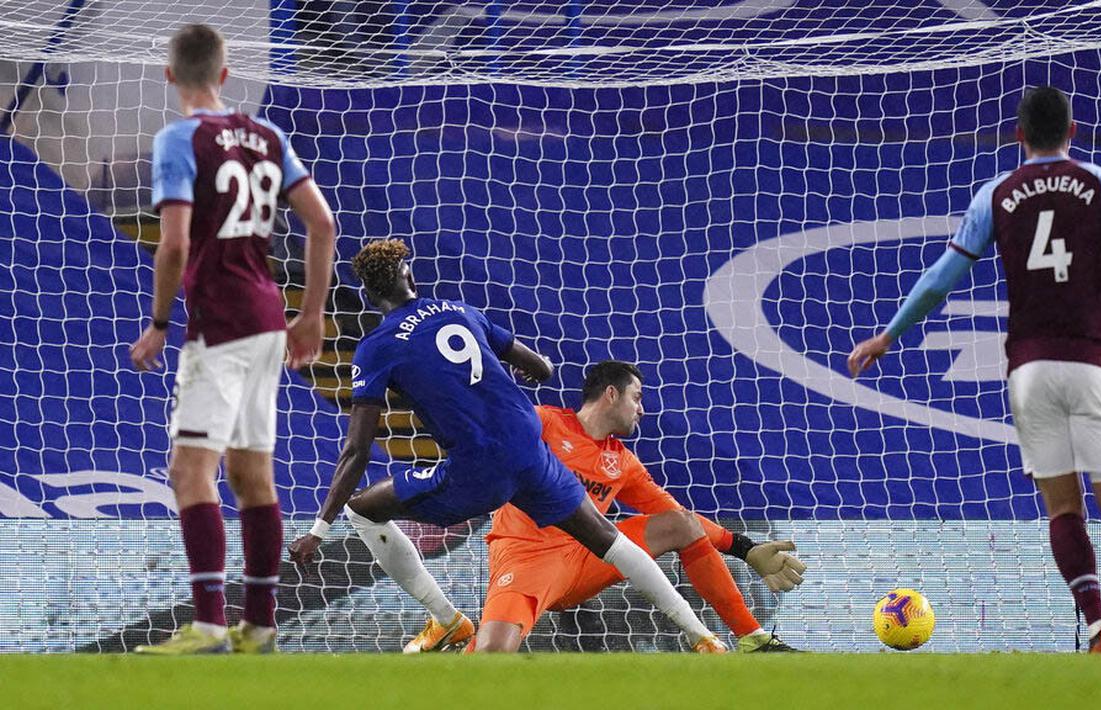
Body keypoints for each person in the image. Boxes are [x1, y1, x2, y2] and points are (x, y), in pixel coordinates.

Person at [847, 86, 1101, 654]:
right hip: (1096, 359)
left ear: (1017, 136)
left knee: (1062, 506)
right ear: (1073, 131)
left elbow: (940, 280)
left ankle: (1097, 627)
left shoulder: (996, 194)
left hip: (1030, 368)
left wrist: (887, 336)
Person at [289, 240, 726, 652]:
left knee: (363, 510)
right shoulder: (461, 311)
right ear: (411, 277)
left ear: (368, 294)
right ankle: (702, 636)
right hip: (531, 449)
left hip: (478, 469)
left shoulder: (375, 348)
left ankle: (446, 620)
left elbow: (357, 450)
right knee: (607, 539)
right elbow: (543, 367)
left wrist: (317, 530)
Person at [129, 23, 337, 654]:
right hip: (270, 316)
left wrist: (161, 322)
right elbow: (323, 224)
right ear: (224, 76)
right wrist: (313, 314)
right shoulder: (268, 136)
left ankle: (210, 624)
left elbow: (174, 244)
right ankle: (261, 625)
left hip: (218, 320)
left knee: (190, 470)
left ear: (171, 76)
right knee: (253, 475)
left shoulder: (179, 138)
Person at [469, 360, 805, 653]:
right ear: (611, 394)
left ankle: (754, 639)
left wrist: (745, 549)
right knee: (493, 652)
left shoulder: (622, 462)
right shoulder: (544, 422)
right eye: (637, 397)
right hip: (527, 557)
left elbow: (684, 518)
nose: (641, 410)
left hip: (587, 556)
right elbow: (494, 432)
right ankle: (457, 639)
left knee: (680, 524)